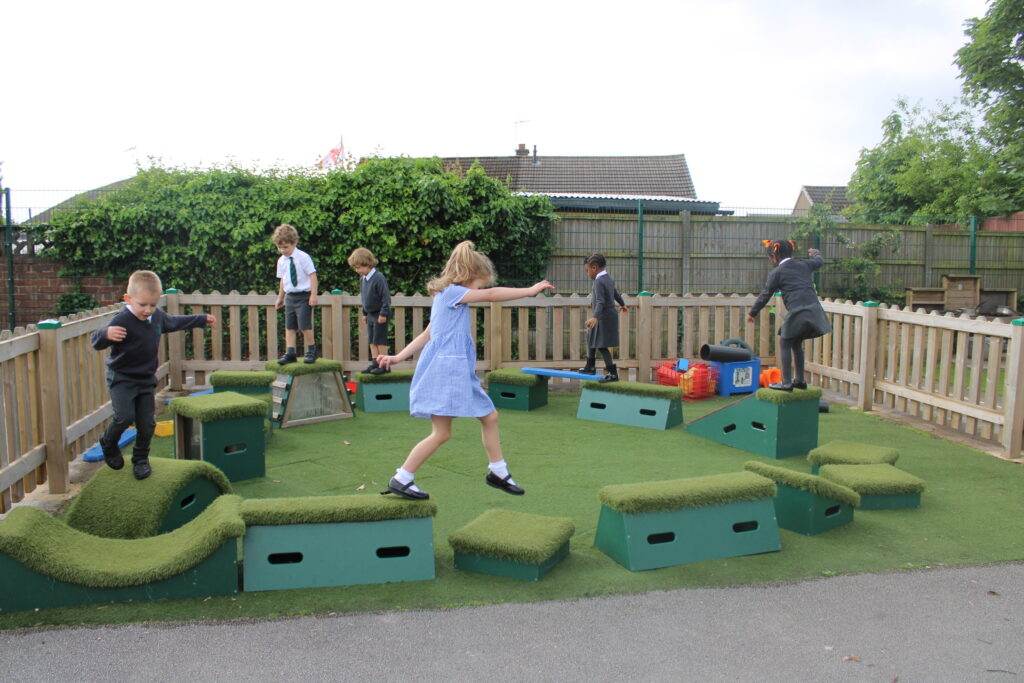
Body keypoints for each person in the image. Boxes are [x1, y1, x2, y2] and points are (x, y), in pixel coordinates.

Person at [376, 241, 554, 500]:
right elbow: (492, 296)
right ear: (470, 277)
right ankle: (494, 472)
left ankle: (406, 477)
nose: (481, 289)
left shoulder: (446, 297)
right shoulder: (451, 293)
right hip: (449, 369)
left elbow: (428, 333)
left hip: (450, 368)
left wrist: (398, 357)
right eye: (480, 283)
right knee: (476, 421)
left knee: (461, 426)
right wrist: (530, 290)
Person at [91, 270, 215, 479]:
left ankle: (140, 459)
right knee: (123, 418)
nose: (148, 310)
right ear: (128, 299)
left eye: (153, 305)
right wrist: (105, 334)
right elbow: (96, 341)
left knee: (147, 423)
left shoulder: (156, 317)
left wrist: (200, 319)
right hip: (122, 379)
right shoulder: (121, 320)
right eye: (142, 305)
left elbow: (174, 322)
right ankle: (108, 443)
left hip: (145, 380)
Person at [746, 240, 831, 391]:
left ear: (775, 256)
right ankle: (799, 380)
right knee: (796, 342)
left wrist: (753, 313)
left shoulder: (777, 273)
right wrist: (816, 253)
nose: (770, 261)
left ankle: (786, 382)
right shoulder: (804, 264)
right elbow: (819, 261)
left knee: (785, 342)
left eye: (770, 258)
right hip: (814, 310)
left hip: (798, 311)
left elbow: (765, 294)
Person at [272, 223, 319, 364]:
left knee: (305, 326)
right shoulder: (281, 261)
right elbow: (283, 280)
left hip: (304, 296)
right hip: (290, 297)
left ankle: (312, 351)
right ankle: (290, 352)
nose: (282, 250)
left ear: (295, 243)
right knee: (290, 326)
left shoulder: (303, 257)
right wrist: (280, 298)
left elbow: (313, 276)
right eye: (279, 247)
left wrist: (313, 295)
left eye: (286, 247)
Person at [578, 253, 628, 383]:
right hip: (605, 316)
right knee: (591, 338)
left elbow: (600, 301)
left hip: (603, 317)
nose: (587, 273)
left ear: (594, 268)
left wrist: (595, 317)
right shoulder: (607, 278)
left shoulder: (599, 281)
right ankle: (590, 366)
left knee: (602, 345)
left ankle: (613, 374)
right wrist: (623, 304)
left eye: (587, 270)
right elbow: (615, 293)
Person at [347, 247, 392, 375]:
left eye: (358, 267)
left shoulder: (378, 278)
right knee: (372, 340)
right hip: (371, 314)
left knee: (380, 340)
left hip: (380, 314)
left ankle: (385, 365)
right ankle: (375, 362)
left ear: (367, 263)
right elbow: (364, 297)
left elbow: (386, 298)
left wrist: (383, 313)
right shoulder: (363, 279)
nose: (357, 271)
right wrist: (364, 313)